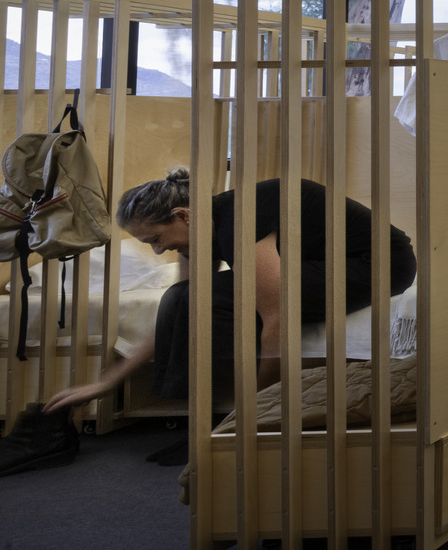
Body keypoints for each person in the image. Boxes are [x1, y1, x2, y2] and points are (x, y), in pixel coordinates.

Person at [0, 169, 416, 476]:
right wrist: (107, 381)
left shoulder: (240, 221)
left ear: (182, 216)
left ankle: (229, 417)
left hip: (377, 264)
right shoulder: (201, 228)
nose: (159, 251)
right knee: (183, 296)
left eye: (155, 240)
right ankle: (201, 416)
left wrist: (255, 414)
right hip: (319, 259)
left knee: (219, 300)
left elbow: (277, 319)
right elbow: (184, 304)